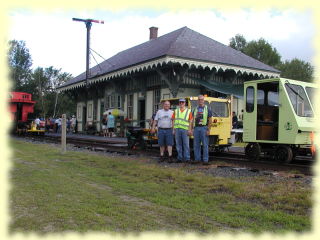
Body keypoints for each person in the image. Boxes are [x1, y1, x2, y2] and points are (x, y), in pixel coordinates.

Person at [191, 95, 213, 165]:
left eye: (202, 99)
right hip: (196, 128)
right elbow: (192, 120)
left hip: (204, 128)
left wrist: (208, 130)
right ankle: (197, 159)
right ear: (198, 101)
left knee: (205, 145)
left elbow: (210, 120)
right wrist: (192, 129)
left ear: (204, 100)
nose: (200, 101)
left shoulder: (207, 109)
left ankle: (205, 160)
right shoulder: (194, 109)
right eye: (199, 99)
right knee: (196, 145)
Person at [172, 98, 193, 163]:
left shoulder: (188, 111)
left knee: (186, 144)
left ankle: (187, 158)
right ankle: (180, 158)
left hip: (185, 130)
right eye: (180, 102)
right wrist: (173, 129)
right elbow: (173, 120)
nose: (181, 103)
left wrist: (190, 130)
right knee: (178, 145)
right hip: (177, 130)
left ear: (185, 103)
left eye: (182, 102)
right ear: (179, 103)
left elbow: (190, 121)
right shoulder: (176, 111)